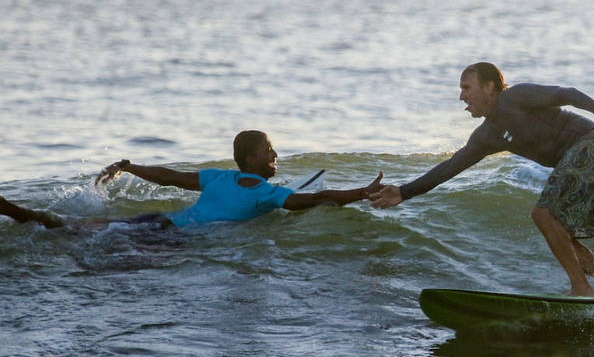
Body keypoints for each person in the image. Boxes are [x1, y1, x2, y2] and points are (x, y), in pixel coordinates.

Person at [371, 62, 594, 296]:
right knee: (560, 231)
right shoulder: (488, 135)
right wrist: (404, 192)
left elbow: (564, 93)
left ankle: (581, 288)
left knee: (542, 215)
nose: (461, 96)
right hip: (593, 153)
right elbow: (450, 167)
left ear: (488, 87)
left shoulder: (515, 97)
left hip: (590, 144)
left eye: (466, 87)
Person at [1, 130, 383, 229]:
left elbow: (168, 178)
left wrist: (129, 167)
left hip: (155, 222)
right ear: (251, 158)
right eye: (269, 150)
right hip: (174, 237)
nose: (275, 155)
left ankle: (19, 213)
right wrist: (361, 192)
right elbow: (315, 200)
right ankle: (20, 214)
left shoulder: (217, 177)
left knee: (72, 228)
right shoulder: (267, 195)